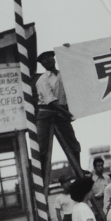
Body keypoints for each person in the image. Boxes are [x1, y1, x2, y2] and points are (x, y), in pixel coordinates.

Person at [35, 51, 83, 188]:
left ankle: (78, 170)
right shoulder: (42, 80)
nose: (48, 60)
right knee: (43, 147)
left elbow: (76, 68)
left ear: (54, 58)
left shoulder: (63, 74)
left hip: (61, 112)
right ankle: (42, 177)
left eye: (49, 57)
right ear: (42, 64)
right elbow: (50, 101)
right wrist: (66, 113)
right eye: (44, 60)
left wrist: (68, 49)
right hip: (46, 113)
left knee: (73, 143)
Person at [89, 156, 109, 221]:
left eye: (102, 165)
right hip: (97, 203)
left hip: (106, 202)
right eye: (98, 166)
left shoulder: (106, 178)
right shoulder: (91, 179)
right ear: (94, 167)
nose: (101, 168)